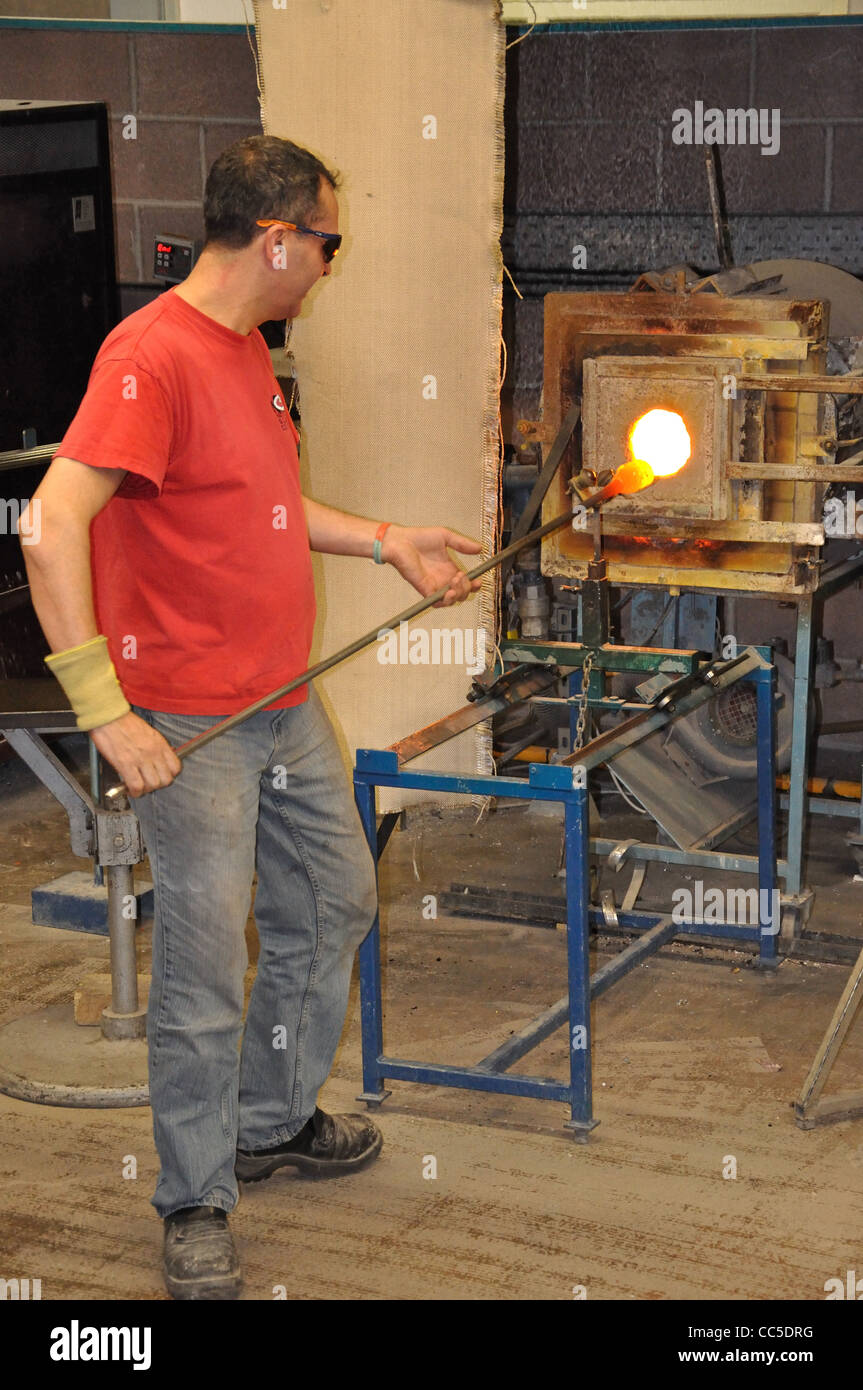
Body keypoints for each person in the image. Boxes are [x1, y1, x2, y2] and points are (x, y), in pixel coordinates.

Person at [21, 135, 481, 1300]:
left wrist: (385, 541)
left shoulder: (243, 353)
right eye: (326, 240)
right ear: (275, 237)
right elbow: (49, 522)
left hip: (281, 703)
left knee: (330, 902)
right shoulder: (150, 357)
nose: (331, 261)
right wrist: (104, 712)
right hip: (192, 725)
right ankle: (193, 1198)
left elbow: (262, 507)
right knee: (201, 971)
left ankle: (266, 1122)